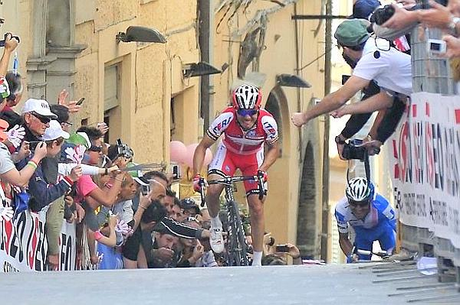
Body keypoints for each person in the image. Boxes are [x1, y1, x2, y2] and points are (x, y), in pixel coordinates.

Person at [192, 83, 280, 266]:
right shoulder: (225, 118)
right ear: (235, 110)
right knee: (214, 188)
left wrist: (262, 169)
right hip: (229, 154)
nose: (247, 118)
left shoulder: (267, 122)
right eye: (242, 113)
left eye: (252, 113)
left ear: (258, 109)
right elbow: (202, 147)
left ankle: (257, 260)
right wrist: (196, 176)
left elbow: (274, 149)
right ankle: (216, 225)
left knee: (256, 207)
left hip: (253, 159)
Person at [291, 19, 412, 128]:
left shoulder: (371, 58)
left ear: (346, 49)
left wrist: (305, 116)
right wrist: (346, 109)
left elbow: (339, 98)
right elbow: (386, 99)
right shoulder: (376, 47)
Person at [334, 177, 396, 262]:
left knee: (393, 258)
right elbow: (343, 239)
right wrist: (351, 255)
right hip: (362, 235)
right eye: (353, 203)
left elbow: (401, 232)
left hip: (384, 230)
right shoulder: (341, 210)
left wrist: (395, 251)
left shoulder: (382, 206)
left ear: (370, 200)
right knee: (356, 262)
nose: (358, 209)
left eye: (363, 204)